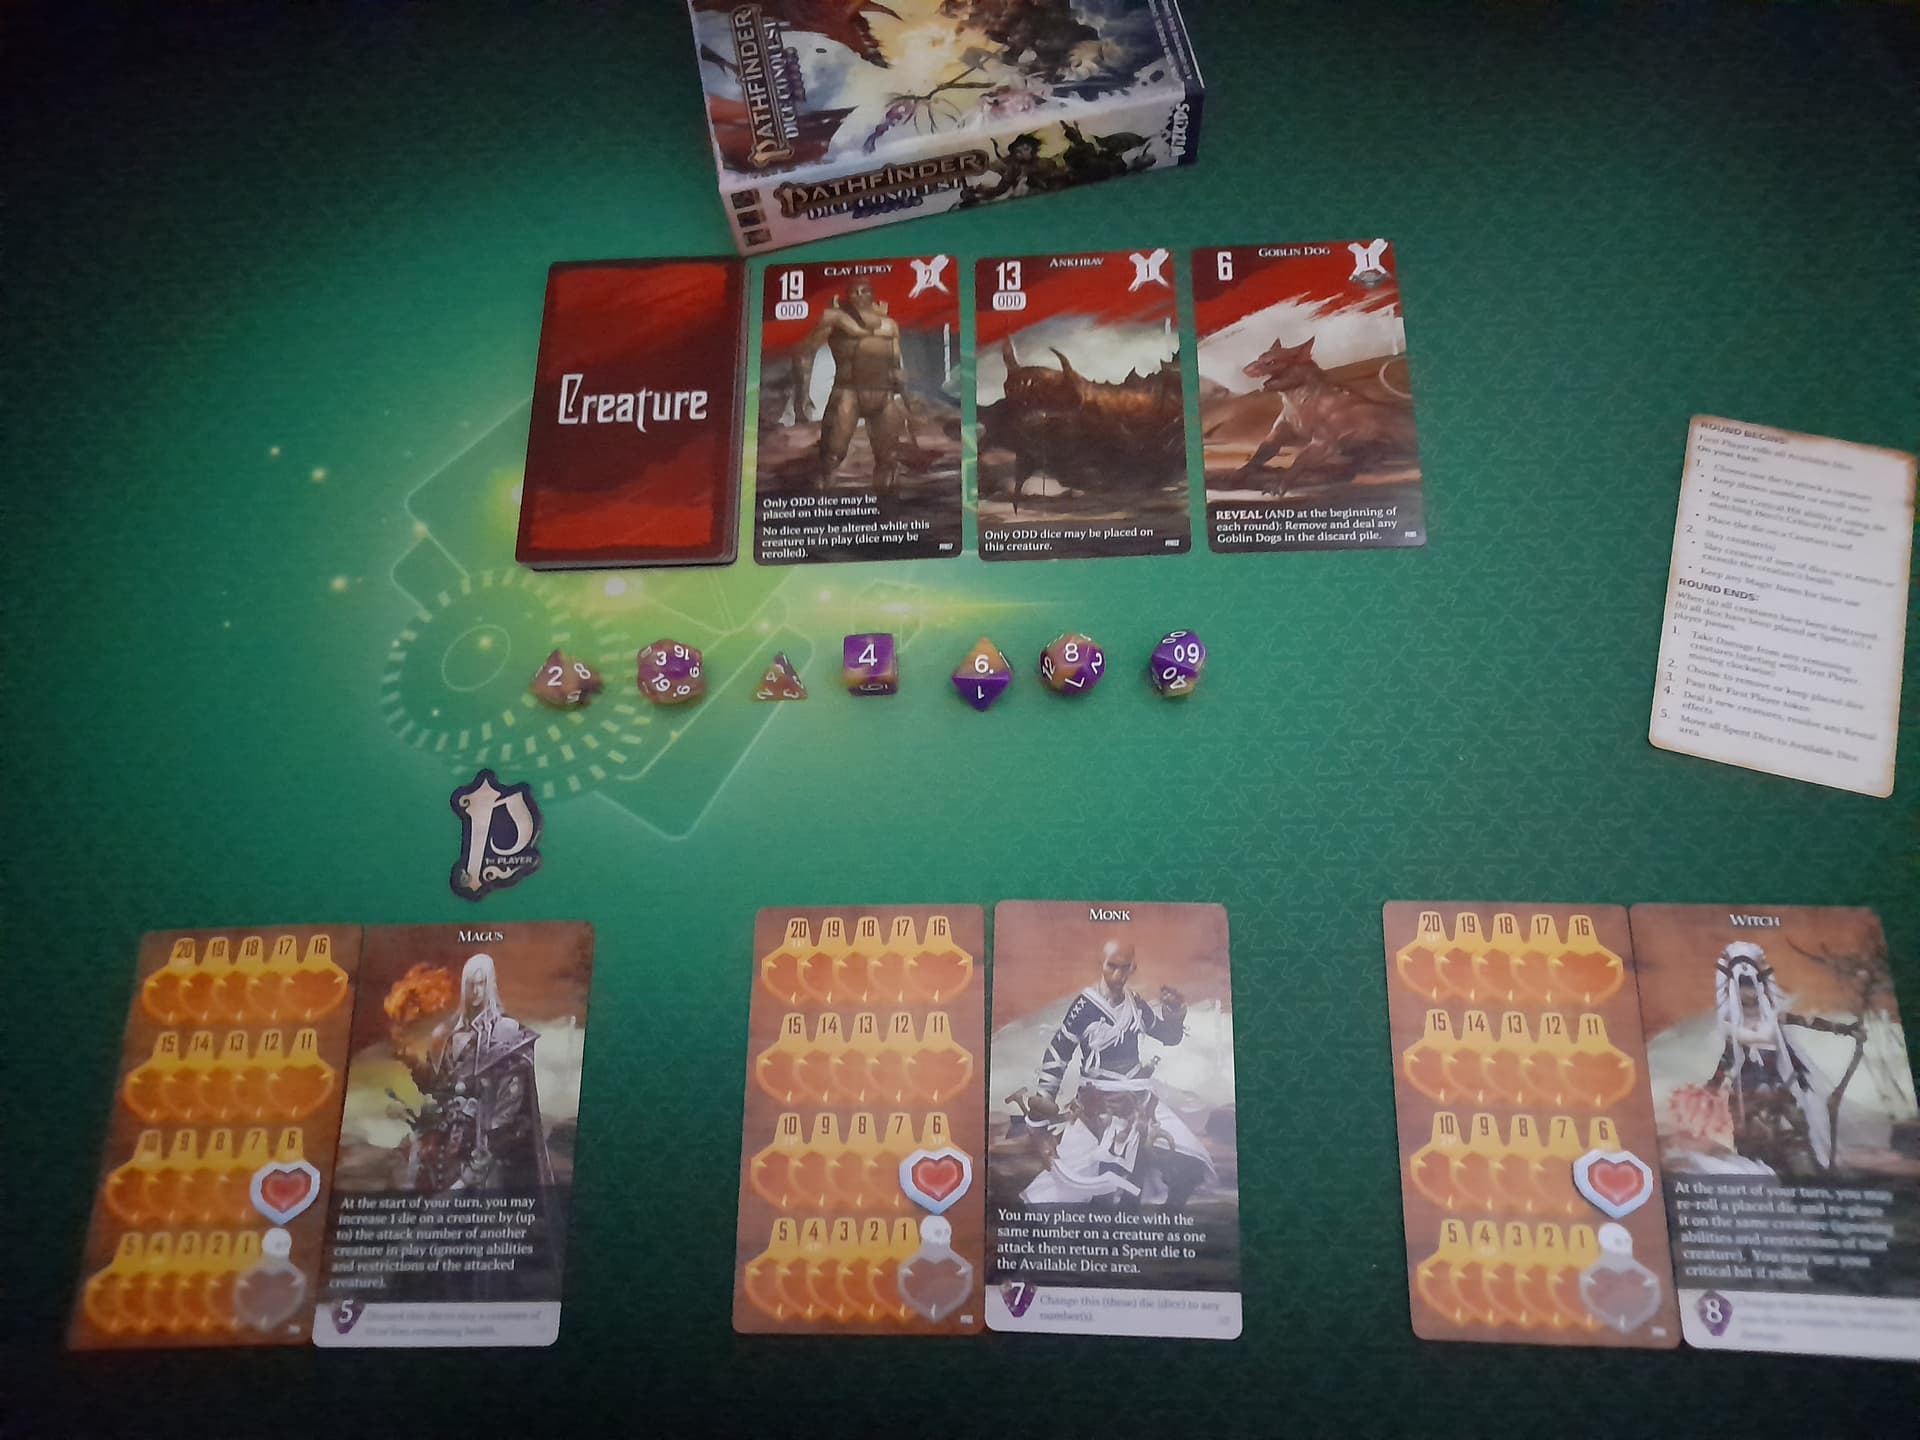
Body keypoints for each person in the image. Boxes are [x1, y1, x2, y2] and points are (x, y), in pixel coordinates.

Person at [1013, 940, 1214, 1209]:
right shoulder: (1084, 1007)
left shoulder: (1135, 1004)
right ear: (1102, 964)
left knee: (1191, 1163)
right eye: (1112, 967)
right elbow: (1059, 1052)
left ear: (1133, 968)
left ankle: (1164, 1223)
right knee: (1085, 1192)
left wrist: (1175, 1013)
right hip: (1096, 1107)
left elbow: (1167, 1036)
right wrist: (1044, 1100)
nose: (1118, 975)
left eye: (1125, 968)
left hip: (1141, 1101)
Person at [1703, 942, 1862, 1174]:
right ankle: (1764, 1174)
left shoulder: (1773, 1017)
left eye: (1751, 987)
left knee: (1795, 1128)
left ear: (1758, 986)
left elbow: (1808, 1022)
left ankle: (1807, 1175)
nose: (1748, 993)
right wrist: (1713, 1086)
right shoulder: (1732, 1023)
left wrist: (1844, 1029)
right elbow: (1728, 1058)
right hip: (1747, 1088)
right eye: (1742, 988)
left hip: (1778, 1083)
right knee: (1751, 1135)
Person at [404, 953, 553, 1194]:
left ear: (490, 984)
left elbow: (510, 1099)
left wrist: (489, 1137)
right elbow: (443, 1088)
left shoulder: (507, 1032)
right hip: (454, 1144)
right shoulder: (453, 1036)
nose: (475, 990)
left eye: (481, 983)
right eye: (470, 984)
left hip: (489, 1147)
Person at [792, 281, 913, 493]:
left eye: (864, 291)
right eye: (854, 291)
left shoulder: (889, 325)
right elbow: (804, 352)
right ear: (847, 296)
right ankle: (820, 506)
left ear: (872, 295)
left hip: (883, 395)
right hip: (847, 393)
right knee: (831, 457)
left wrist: (906, 398)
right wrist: (801, 395)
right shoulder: (835, 320)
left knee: (888, 459)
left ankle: (885, 508)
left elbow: (895, 365)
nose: (859, 295)